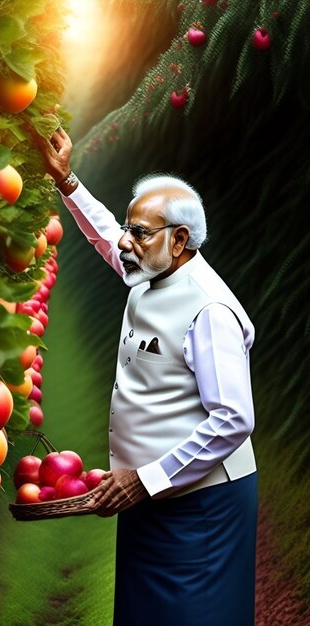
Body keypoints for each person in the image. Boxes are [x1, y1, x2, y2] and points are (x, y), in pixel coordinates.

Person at [38, 128, 258, 626]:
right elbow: (103, 234)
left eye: (139, 232)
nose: (125, 240)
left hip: (201, 505)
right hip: (146, 494)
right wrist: (68, 182)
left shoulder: (210, 309)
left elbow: (233, 420)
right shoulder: (150, 268)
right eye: (130, 227)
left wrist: (145, 480)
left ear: (180, 240)